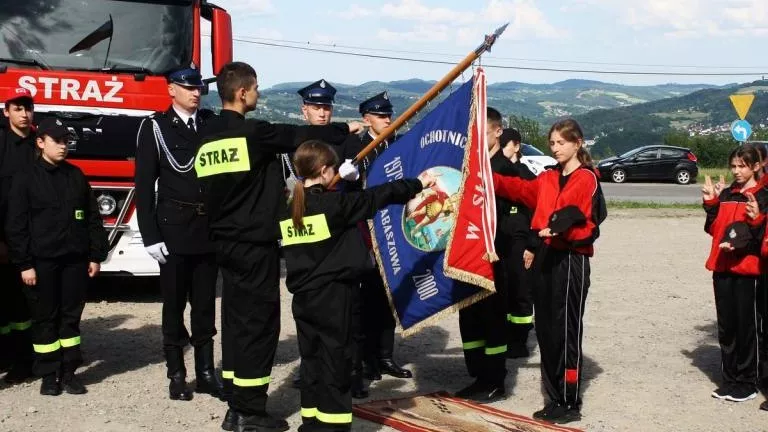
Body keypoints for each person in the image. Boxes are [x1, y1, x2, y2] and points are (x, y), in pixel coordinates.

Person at [194, 61, 363, 432]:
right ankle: (251, 413)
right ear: (242, 93)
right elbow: (296, 135)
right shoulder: (252, 133)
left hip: (223, 242)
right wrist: (342, 128)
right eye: (255, 89)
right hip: (255, 244)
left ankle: (237, 404)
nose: (257, 94)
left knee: (236, 323)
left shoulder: (205, 138)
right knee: (258, 327)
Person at [280, 140, 431, 432]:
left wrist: (344, 187)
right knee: (337, 363)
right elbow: (378, 197)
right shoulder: (333, 205)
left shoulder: (291, 208)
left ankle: (310, 422)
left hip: (304, 298)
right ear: (325, 171)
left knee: (312, 362)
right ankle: (333, 426)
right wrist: (417, 183)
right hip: (335, 296)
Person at [492, 119, 607, 424]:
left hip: (569, 260)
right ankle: (554, 396)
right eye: (552, 143)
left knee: (566, 332)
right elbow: (520, 190)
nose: (555, 148)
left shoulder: (586, 178)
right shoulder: (547, 177)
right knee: (545, 331)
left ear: (577, 143)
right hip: (545, 258)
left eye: (561, 143)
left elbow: (579, 219)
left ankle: (570, 401)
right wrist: (489, 178)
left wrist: (552, 231)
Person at [134, 65, 222, 402]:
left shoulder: (211, 124)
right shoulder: (154, 127)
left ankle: (204, 373)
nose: (195, 93)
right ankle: (176, 373)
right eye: (187, 87)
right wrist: (150, 235)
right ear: (171, 90)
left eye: (198, 87)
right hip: (173, 231)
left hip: (206, 230)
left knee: (204, 308)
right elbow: (144, 187)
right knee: (173, 306)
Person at [5, 118, 108, 396]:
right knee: (45, 318)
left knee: (70, 318)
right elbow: (16, 225)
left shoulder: (75, 175)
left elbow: (92, 219)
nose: (63, 146)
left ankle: (69, 371)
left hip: (74, 261)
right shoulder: (25, 178)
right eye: (57, 141)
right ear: (40, 143)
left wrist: (96, 255)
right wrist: (24, 264)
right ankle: (49, 374)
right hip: (42, 263)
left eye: (66, 141)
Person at [453, 108, 521, 403]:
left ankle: (495, 379)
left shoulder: (504, 169)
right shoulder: (472, 166)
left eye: (484, 132)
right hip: (469, 256)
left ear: (497, 133)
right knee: (471, 318)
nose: (477, 139)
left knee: (493, 320)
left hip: (494, 256)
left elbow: (509, 219)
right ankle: (479, 374)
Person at [356, 92, 414, 383]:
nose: (388, 119)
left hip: (396, 228)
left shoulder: (398, 145)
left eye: (389, 114)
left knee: (390, 297)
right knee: (368, 299)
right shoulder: (358, 148)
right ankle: (368, 359)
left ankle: (386, 356)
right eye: (380, 115)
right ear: (367, 119)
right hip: (369, 230)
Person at [704, 145, 768, 405]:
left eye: (742, 166)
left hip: (748, 271)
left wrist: (755, 220)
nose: (736, 171)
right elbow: (713, 229)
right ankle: (730, 379)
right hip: (722, 267)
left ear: (755, 166)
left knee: (747, 328)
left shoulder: (763, 195)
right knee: (727, 327)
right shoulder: (728, 193)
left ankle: (747, 381)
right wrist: (710, 204)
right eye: (733, 166)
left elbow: (760, 236)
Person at [0, 88, 37, 385]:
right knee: (6, 300)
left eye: (27, 108)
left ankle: (26, 360)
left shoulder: (40, 144)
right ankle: (7, 355)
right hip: (3, 236)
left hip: (34, 237)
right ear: (6, 111)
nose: (24, 114)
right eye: (18, 108)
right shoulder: (2, 144)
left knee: (27, 303)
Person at [495, 127, 536, 358]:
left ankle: (520, 340)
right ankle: (506, 335)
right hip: (501, 240)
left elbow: (537, 212)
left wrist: (532, 246)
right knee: (504, 290)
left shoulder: (525, 175)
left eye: (505, 146)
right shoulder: (499, 171)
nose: (500, 151)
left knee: (520, 290)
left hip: (521, 242)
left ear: (516, 146)